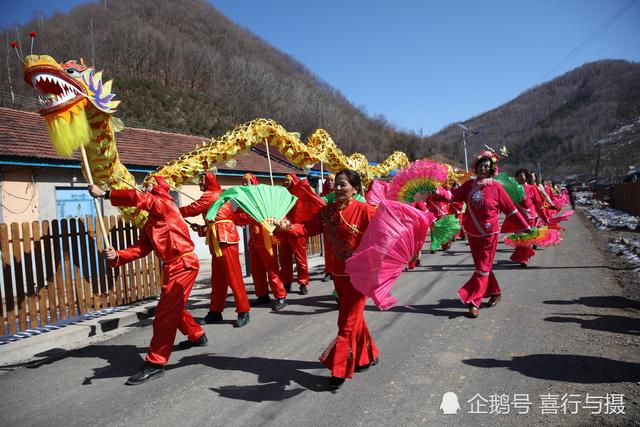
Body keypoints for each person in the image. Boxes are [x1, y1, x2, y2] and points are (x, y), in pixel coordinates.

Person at [88, 177, 207, 385]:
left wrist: (106, 194)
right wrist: (117, 255)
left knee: (164, 313)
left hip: (184, 264)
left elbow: (138, 198)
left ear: (159, 188)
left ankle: (156, 362)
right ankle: (196, 335)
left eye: (149, 184)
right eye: (144, 185)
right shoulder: (151, 220)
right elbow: (142, 248)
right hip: (171, 266)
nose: (144, 186)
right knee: (172, 308)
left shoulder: (165, 204)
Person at [274, 169, 379, 390]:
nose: (337, 188)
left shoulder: (365, 211)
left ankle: (338, 369)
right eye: (336, 185)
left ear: (355, 189)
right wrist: (286, 227)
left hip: (359, 275)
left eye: (343, 185)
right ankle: (367, 355)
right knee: (354, 317)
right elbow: (307, 229)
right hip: (338, 273)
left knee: (346, 322)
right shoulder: (327, 212)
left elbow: (381, 237)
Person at [434, 152, 530, 318]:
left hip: (489, 234)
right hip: (472, 233)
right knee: (482, 268)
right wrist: (436, 190)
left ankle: (474, 301)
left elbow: (510, 209)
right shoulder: (469, 185)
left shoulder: (497, 187)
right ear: (476, 167)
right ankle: (495, 291)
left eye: (487, 166)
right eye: (481, 165)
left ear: (492, 169)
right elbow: (453, 196)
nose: (484, 168)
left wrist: (525, 226)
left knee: (483, 268)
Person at [179, 171, 250, 327]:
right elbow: (215, 219)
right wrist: (204, 229)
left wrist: (172, 210)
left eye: (201, 180)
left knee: (234, 276)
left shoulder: (211, 194)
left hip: (225, 238)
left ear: (208, 181)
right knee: (217, 279)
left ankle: (243, 310)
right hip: (218, 238)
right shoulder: (214, 194)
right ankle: (215, 311)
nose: (199, 183)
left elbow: (193, 209)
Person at [234, 173, 288, 311]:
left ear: (254, 182)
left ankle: (281, 296)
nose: (245, 185)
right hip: (253, 240)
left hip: (266, 238)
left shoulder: (264, 199)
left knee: (272, 270)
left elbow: (275, 214)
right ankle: (262, 295)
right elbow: (238, 217)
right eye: (243, 182)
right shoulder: (245, 200)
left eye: (248, 182)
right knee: (256, 270)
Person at [279, 174, 311, 294]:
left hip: (296, 231)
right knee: (284, 259)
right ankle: (286, 282)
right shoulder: (281, 194)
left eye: (289, 180)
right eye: (285, 180)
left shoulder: (299, 194)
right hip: (283, 231)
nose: (286, 182)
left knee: (300, 259)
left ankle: (303, 283)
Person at [510, 169, 548, 267]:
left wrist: (544, 217)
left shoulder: (532, 188)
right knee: (520, 240)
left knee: (526, 239)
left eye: (521, 176)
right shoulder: (513, 189)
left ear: (526, 177)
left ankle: (524, 259)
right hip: (518, 218)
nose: (519, 178)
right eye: (517, 176)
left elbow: (539, 204)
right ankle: (526, 254)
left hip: (529, 218)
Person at [320, 174, 336, 282]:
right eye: (328, 180)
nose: (330, 182)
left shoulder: (341, 194)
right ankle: (328, 271)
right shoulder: (322, 195)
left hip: (339, 226)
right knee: (328, 250)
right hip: (327, 227)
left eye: (332, 180)